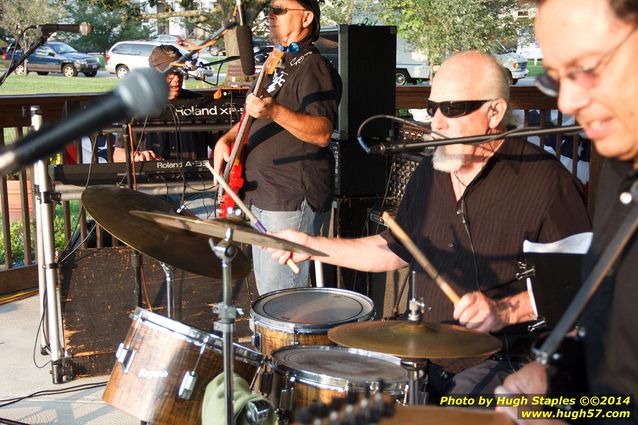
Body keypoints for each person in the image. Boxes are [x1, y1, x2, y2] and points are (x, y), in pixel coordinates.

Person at [269, 50, 591, 396]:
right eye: (432, 106)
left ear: (494, 111)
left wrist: (504, 310)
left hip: (506, 363)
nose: (436, 122)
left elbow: (584, 288)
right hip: (427, 353)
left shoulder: (547, 183)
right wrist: (311, 246)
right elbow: (393, 250)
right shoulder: (430, 173)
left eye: (451, 109)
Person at [495, 0, 638, 423]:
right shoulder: (619, 165)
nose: (571, 103)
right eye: (557, 78)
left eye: (587, 68)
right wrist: (554, 379)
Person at [213, 0, 342, 295]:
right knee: (269, 297)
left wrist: (275, 112)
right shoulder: (278, 61)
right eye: (270, 9)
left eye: (280, 10)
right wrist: (229, 138)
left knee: (282, 300)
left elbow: (322, 132)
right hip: (265, 195)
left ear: (306, 17)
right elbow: (255, 113)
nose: (271, 15)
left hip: (290, 196)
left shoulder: (313, 66)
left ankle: (287, 344)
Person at [112, 44, 217, 218]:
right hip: (151, 190)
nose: (176, 80)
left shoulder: (200, 103)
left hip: (197, 189)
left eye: (179, 73)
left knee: (210, 230)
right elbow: (118, 156)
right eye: (169, 74)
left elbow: (223, 143)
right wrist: (136, 157)